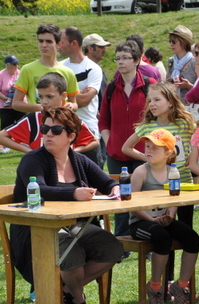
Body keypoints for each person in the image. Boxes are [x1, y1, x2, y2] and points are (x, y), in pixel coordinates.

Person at [10, 107, 124, 304]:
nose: (48, 134)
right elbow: (40, 189)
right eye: (45, 129)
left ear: (71, 136)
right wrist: (74, 193)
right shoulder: (32, 159)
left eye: (56, 130)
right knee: (70, 251)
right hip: (37, 229)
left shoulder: (79, 160)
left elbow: (107, 181)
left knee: (113, 248)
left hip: (75, 225)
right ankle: (78, 300)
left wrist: (115, 188)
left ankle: (63, 291)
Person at [129, 129, 199, 304]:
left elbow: (175, 198)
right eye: (147, 146)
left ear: (168, 153)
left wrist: (170, 215)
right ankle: (155, 286)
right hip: (140, 222)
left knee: (192, 237)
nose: (149, 150)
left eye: (155, 148)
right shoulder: (141, 171)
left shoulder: (172, 172)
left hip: (163, 220)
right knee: (162, 237)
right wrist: (152, 219)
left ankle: (181, 285)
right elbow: (131, 204)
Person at [99, 41, 157, 236]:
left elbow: (157, 116)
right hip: (116, 155)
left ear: (137, 60)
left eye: (125, 58)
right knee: (120, 199)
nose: (120, 62)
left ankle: (147, 240)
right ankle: (121, 242)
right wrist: (110, 143)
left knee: (144, 198)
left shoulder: (149, 85)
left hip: (143, 153)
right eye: (117, 58)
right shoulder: (111, 88)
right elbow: (103, 120)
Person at [0, 72, 98, 157]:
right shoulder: (33, 119)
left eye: (49, 97)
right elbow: (0, 137)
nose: (44, 101)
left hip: (66, 171)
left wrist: (74, 151)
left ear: (63, 96)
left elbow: (94, 141)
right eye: (41, 97)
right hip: (39, 171)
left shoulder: (71, 119)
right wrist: (30, 151)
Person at [59, 26, 103, 166]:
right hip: (64, 131)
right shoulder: (59, 67)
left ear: (74, 43)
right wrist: (78, 93)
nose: (58, 45)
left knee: (92, 177)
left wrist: (62, 96)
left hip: (88, 133)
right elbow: (52, 98)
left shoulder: (93, 68)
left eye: (62, 42)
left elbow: (84, 100)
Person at [12, 23, 79, 114]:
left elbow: (74, 104)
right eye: (41, 41)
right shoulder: (27, 69)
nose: (44, 45)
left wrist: (71, 106)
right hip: (38, 121)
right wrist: (40, 107)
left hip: (61, 121)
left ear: (58, 44)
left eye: (49, 41)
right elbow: (16, 103)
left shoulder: (68, 72)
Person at [83, 33, 111, 167]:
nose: (104, 50)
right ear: (90, 48)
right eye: (100, 47)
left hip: (100, 123)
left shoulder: (97, 69)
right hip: (91, 125)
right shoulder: (85, 70)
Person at [0, 55, 25, 153]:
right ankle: (6, 146)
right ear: (7, 65)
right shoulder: (0, 74)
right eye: (14, 64)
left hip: (20, 104)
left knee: (23, 124)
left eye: (17, 63)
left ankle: (26, 143)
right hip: (5, 106)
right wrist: (6, 99)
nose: (16, 65)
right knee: (6, 126)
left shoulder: (21, 73)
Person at [167, 25, 197, 101]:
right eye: (170, 41)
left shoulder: (195, 63)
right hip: (173, 105)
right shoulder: (171, 61)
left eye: (174, 42)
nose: (171, 44)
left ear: (184, 42)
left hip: (189, 106)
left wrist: (188, 86)